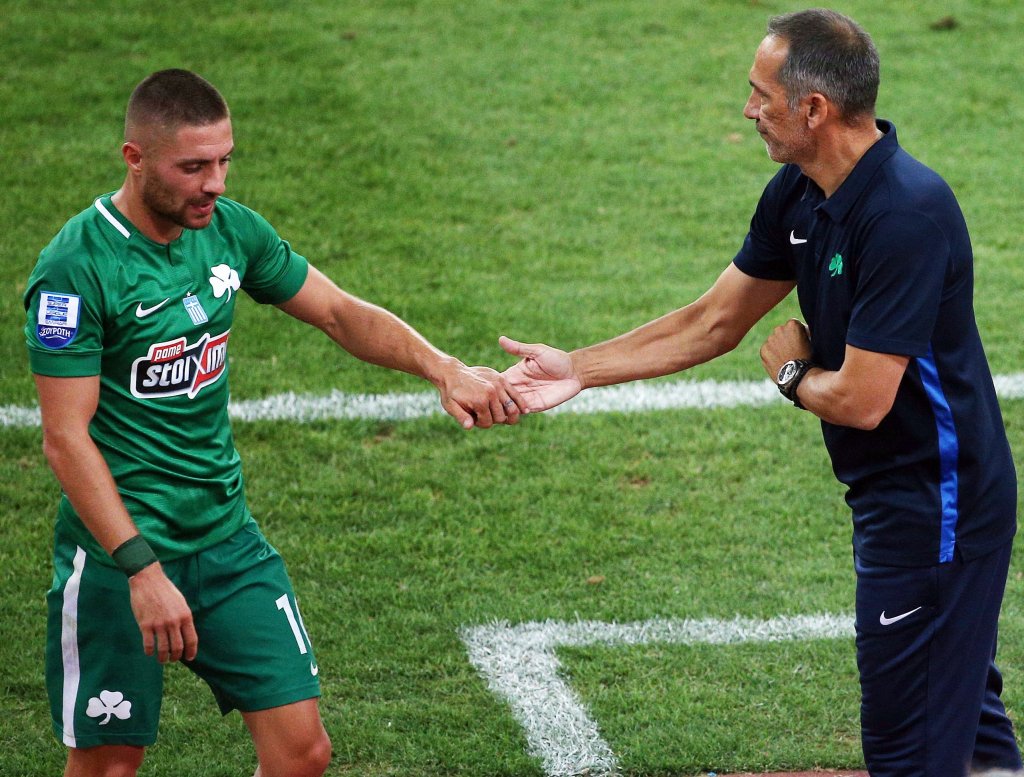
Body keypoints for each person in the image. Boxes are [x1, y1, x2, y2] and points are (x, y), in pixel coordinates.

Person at [500, 9, 1019, 777]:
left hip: (936, 511)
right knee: (971, 742)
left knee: (909, 754)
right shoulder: (801, 193)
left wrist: (793, 376)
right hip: (898, 496)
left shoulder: (905, 216)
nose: (747, 110)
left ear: (814, 108)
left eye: (760, 94)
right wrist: (577, 368)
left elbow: (864, 399)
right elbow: (714, 320)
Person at [24, 69, 524, 777]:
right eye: (193, 167)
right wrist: (142, 570)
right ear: (135, 158)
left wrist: (444, 368)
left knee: (301, 754)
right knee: (109, 766)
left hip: (226, 541)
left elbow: (338, 312)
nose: (215, 183)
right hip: (116, 561)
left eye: (224, 161)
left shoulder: (229, 230)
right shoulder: (76, 269)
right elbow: (64, 438)